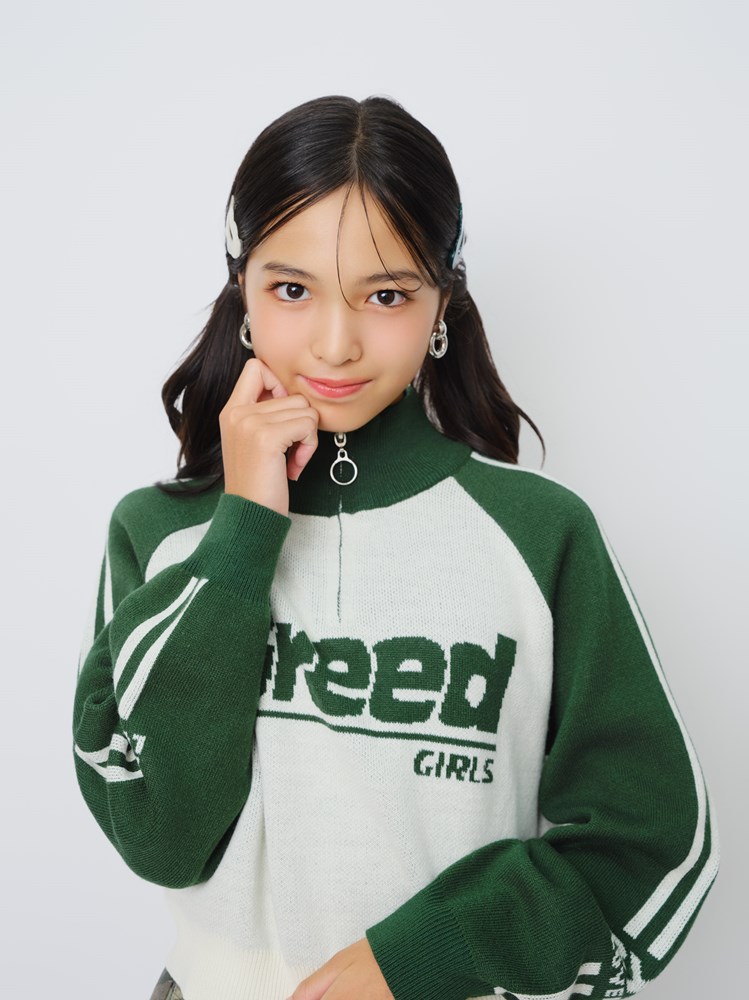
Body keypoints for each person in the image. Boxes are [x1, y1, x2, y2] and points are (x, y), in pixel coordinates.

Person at [72, 94, 718, 1000]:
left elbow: (650, 842)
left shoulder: (539, 534)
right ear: (243, 292)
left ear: (442, 299)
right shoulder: (162, 535)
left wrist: (421, 958)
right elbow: (159, 835)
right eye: (291, 289)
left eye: (385, 295)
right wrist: (244, 530)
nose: (336, 343)